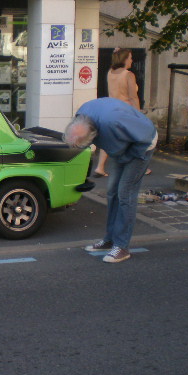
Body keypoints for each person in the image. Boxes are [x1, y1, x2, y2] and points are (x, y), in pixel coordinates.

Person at [64, 97, 157, 263]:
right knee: (112, 191)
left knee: (125, 194)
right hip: (121, 147)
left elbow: (144, 136)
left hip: (142, 144)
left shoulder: (113, 123)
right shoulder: (82, 116)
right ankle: (110, 239)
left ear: (93, 137)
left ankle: (122, 246)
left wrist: (128, 156)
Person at [94, 48, 151, 176]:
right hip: (126, 111)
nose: (132, 60)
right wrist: (138, 114)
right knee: (137, 139)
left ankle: (100, 167)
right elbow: (133, 96)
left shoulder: (110, 72)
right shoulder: (128, 75)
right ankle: (140, 167)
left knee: (108, 137)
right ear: (124, 59)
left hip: (111, 109)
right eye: (130, 57)